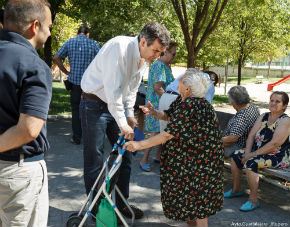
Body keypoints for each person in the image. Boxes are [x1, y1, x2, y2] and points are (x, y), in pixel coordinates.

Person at [80, 21, 170, 220]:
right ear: (143, 42)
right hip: (94, 104)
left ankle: (121, 205)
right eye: (155, 51)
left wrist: (129, 117)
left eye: (160, 53)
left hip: (116, 106)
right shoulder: (118, 47)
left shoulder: (145, 58)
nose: (157, 56)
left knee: (128, 152)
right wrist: (122, 123)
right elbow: (113, 91)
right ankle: (96, 211)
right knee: (95, 158)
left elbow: (131, 90)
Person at [124, 68, 224, 227]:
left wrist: (138, 145)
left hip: (199, 162)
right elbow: (170, 115)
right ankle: (190, 224)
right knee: (189, 196)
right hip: (191, 159)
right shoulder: (185, 100)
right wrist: (154, 112)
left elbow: (167, 134)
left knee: (198, 201)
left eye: (182, 80)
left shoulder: (192, 104)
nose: (178, 81)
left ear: (187, 88)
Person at [0, 0, 52, 226]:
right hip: (18, 173)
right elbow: (29, 129)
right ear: (35, 26)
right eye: (49, 27)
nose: (49, 33)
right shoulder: (34, 65)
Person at [224, 91, 290, 211]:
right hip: (259, 152)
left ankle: (253, 200)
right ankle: (236, 189)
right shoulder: (264, 116)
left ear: (284, 105)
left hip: (277, 155)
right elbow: (251, 135)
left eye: (278, 101)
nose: (273, 103)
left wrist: (251, 155)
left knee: (251, 162)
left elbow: (275, 144)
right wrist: (247, 152)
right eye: (272, 100)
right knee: (236, 155)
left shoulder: (284, 120)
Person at [53, 26, 100, 145]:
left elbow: (56, 57)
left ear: (77, 33)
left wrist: (65, 71)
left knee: (75, 110)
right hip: (89, 85)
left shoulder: (70, 42)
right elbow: (102, 60)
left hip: (74, 83)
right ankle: (89, 138)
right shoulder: (93, 44)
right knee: (89, 110)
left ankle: (76, 138)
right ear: (87, 34)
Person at [140, 40, 177, 172]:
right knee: (155, 133)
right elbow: (158, 87)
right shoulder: (159, 65)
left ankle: (158, 157)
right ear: (165, 52)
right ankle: (144, 159)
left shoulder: (166, 66)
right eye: (172, 54)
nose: (174, 57)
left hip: (163, 104)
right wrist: (171, 102)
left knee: (162, 131)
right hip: (157, 104)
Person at [222, 86, 260, 158]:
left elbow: (232, 138)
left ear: (233, 102)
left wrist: (215, 141)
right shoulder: (252, 107)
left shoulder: (242, 116)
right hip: (248, 144)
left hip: (237, 147)